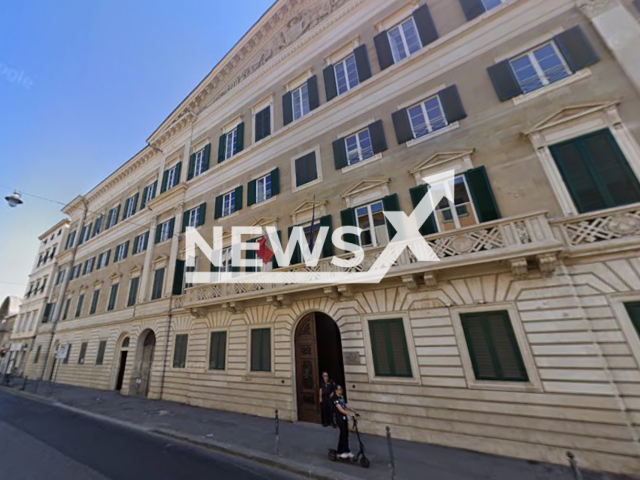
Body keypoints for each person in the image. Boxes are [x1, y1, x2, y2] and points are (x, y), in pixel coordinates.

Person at [333, 385, 357, 459]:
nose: (341, 391)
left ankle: (346, 450)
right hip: (339, 418)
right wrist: (348, 414)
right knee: (343, 434)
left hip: (344, 418)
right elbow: (340, 409)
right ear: (336, 391)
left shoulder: (341, 397)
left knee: (346, 434)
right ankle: (340, 451)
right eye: (339, 389)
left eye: (341, 389)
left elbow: (346, 405)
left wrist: (354, 411)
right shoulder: (335, 399)